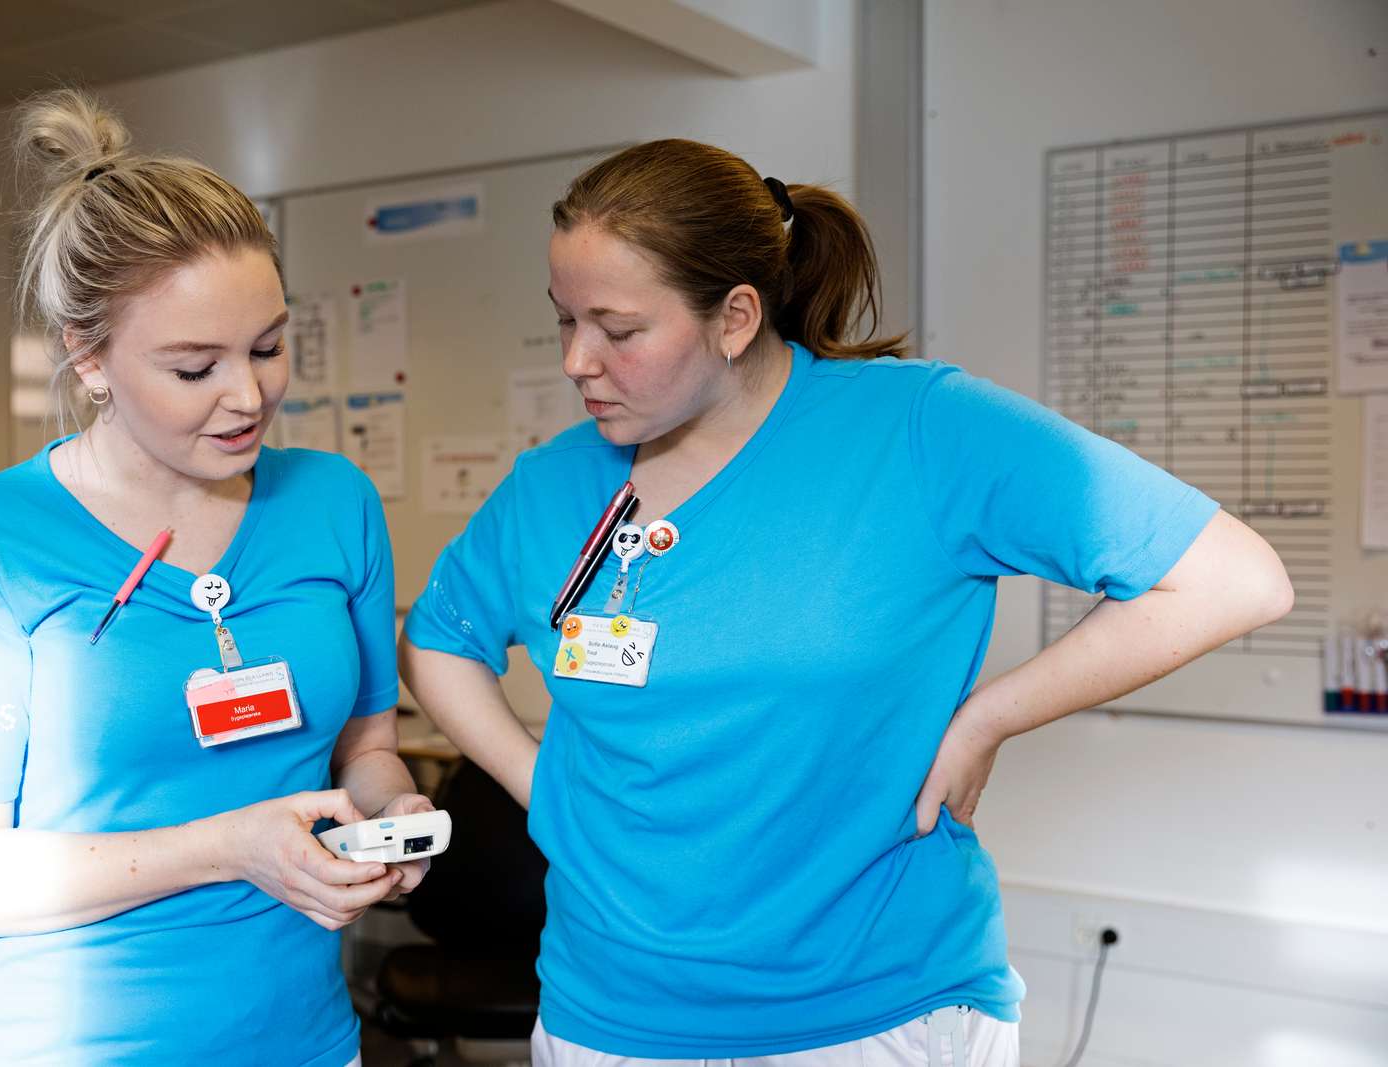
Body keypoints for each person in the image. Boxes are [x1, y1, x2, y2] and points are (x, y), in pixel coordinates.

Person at [399, 139, 1293, 1066]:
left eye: (618, 330)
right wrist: (541, 784)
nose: (577, 360)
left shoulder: (919, 431)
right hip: (610, 1012)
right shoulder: (553, 484)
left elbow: (1232, 578)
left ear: (735, 317)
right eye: (564, 320)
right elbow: (440, 637)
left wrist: (988, 717)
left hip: (877, 1009)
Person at [0, 89, 429, 1066]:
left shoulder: (333, 502)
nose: (248, 393)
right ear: (88, 357)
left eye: (268, 347)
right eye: (193, 367)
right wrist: (229, 844)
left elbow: (367, 745)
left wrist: (393, 813)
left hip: (304, 1039)